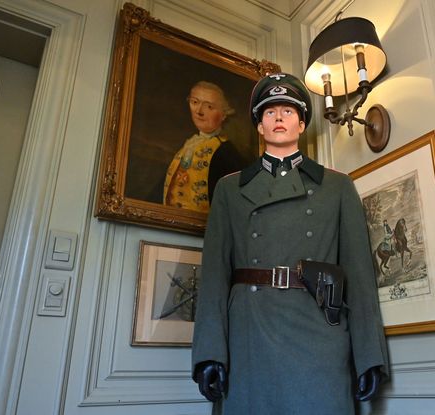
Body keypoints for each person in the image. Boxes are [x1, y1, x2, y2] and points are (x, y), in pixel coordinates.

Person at [191, 73, 389, 414]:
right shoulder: (230, 189)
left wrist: (369, 355)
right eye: (269, 112)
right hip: (250, 336)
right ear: (260, 127)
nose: (278, 117)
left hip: (318, 330)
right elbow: (213, 279)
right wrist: (210, 353)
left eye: (287, 110)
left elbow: (359, 278)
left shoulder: (337, 186)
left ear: (301, 124)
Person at [163, 81, 243, 213]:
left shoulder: (227, 152)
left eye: (209, 107)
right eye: (195, 102)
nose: (199, 111)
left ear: (224, 114)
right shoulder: (189, 144)